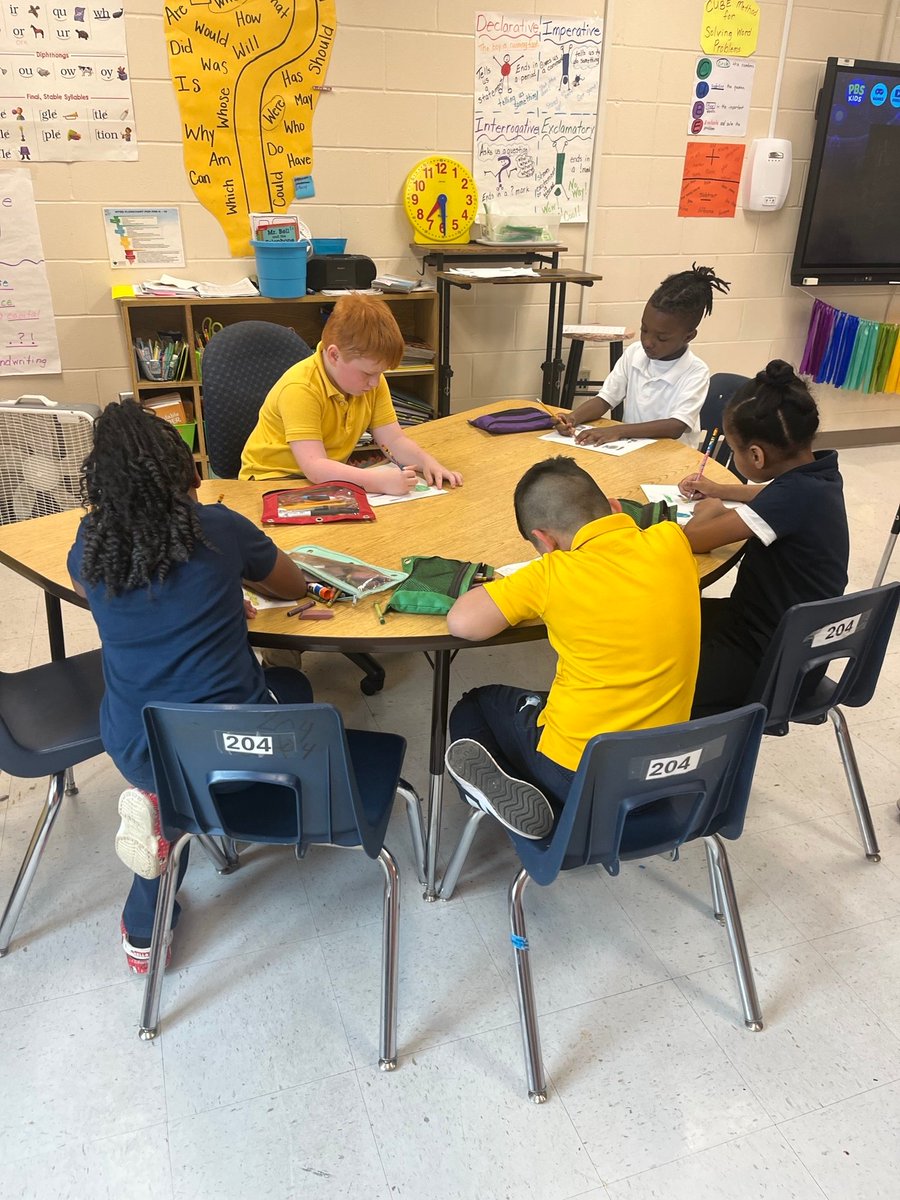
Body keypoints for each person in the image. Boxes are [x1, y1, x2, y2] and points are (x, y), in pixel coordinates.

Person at [67, 401, 314, 972]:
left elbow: (96, 592)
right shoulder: (218, 528)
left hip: (135, 743)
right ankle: (211, 807)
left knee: (169, 778)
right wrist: (229, 589)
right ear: (186, 474)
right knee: (294, 688)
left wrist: (209, 598)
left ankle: (146, 926)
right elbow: (293, 584)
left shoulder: (91, 543)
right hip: (234, 745)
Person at [444, 456, 701, 838]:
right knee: (552, 695)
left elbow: (462, 623)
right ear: (613, 507)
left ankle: (521, 795)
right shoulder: (671, 541)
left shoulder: (551, 574)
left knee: (477, 704)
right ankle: (538, 794)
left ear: (545, 540)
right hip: (666, 772)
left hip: (578, 774)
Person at [679, 360, 849, 717]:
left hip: (771, 660)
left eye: (734, 450)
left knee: (652, 674)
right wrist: (721, 488)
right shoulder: (818, 476)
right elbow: (771, 494)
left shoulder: (789, 498)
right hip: (791, 641)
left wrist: (709, 507)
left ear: (756, 455)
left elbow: (694, 538)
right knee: (663, 617)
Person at [240, 293, 462, 495]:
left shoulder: (372, 381)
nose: (375, 382)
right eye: (368, 373)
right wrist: (376, 481)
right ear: (334, 356)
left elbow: (394, 440)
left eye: (380, 373)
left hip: (322, 478)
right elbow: (315, 467)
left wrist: (427, 462)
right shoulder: (301, 388)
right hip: (270, 481)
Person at [554, 264, 730, 448]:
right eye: (644, 330)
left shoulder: (695, 372)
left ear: (688, 336)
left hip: (672, 457)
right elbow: (605, 399)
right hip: (630, 450)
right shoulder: (634, 354)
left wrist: (618, 431)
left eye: (661, 338)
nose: (648, 342)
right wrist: (572, 418)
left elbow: (675, 426)